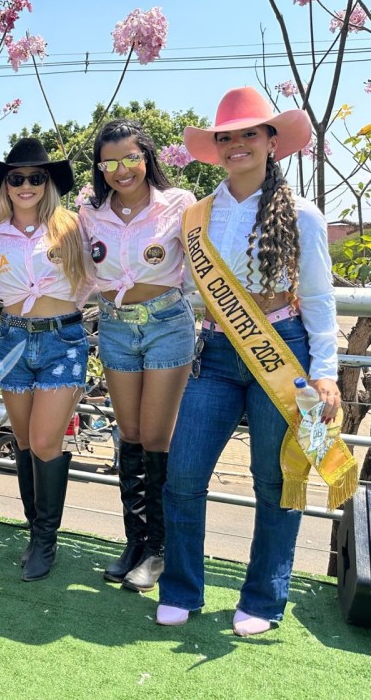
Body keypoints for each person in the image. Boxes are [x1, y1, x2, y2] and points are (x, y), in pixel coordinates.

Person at [157, 86, 356, 636]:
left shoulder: (303, 214)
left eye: (250, 133)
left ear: (272, 141)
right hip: (215, 354)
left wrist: (324, 371)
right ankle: (181, 589)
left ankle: (264, 600)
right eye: (227, 136)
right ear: (216, 147)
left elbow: (318, 299)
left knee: (274, 482)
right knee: (183, 474)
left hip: (283, 351)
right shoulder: (197, 215)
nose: (237, 144)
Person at [78, 120, 196, 592]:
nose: (121, 170)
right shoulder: (90, 214)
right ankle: (136, 542)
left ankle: (159, 550)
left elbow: (201, 264)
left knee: (155, 435)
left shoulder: (180, 204)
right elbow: (79, 270)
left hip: (167, 324)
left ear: (146, 156)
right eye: (109, 162)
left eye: (130, 158)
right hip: (114, 327)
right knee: (128, 433)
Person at [0, 138, 92, 582]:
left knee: (46, 442)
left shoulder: (72, 226)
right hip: (12, 340)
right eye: (17, 178)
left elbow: (90, 279)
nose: (26, 186)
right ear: (5, 185)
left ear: (48, 183)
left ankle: (47, 539)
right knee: (24, 442)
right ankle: (33, 532)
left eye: (36, 177)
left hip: (62, 339)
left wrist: (64, 307)